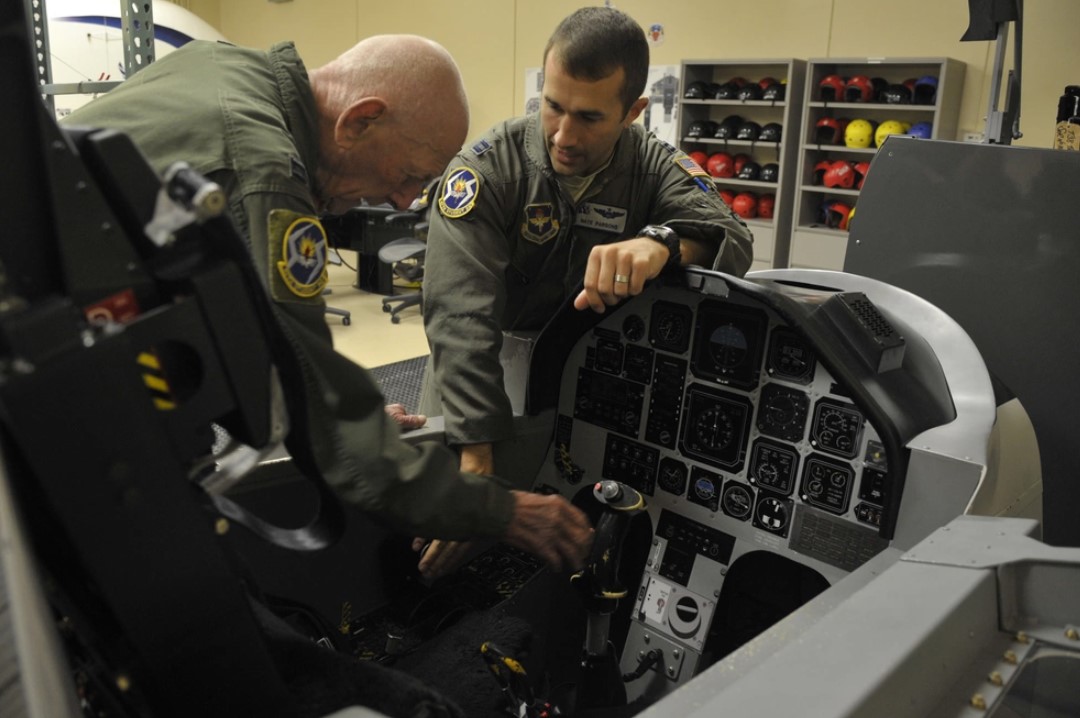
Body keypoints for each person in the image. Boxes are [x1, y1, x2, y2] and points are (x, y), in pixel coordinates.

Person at [63, 37, 592, 579]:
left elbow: (262, 354)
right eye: (408, 174)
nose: (404, 201)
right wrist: (501, 510)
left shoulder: (221, 61)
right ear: (359, 121)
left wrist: (339, 414)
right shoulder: (263, 172)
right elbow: (320, 407)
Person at [417, 6, 754, 575]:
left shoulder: (651, 165)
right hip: (478, 370)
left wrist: (662, 245)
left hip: (583, 373)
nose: (564, 135)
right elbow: (458, 316)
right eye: (552, 107)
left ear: (633, 112)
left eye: (590, 118)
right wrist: (475, 454)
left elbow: (732, 237)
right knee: (437, 541)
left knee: (558, 544)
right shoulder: (487, 170)